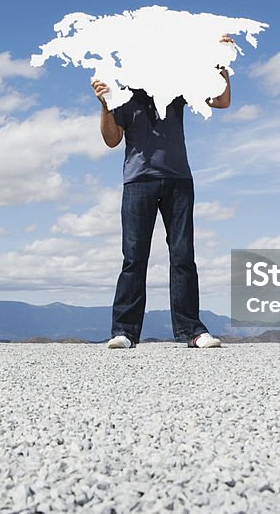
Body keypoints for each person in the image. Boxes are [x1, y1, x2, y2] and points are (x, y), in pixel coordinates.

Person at [91, 34, 234, 349]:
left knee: (183, 256)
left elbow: (221, 101)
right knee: (134, 258)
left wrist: (221, 62)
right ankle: (124, 332)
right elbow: (112, 139)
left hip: (178, 179)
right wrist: (104, 104)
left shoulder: (177, 90)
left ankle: (192, 332)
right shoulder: (123, 95)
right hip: (138, 181)